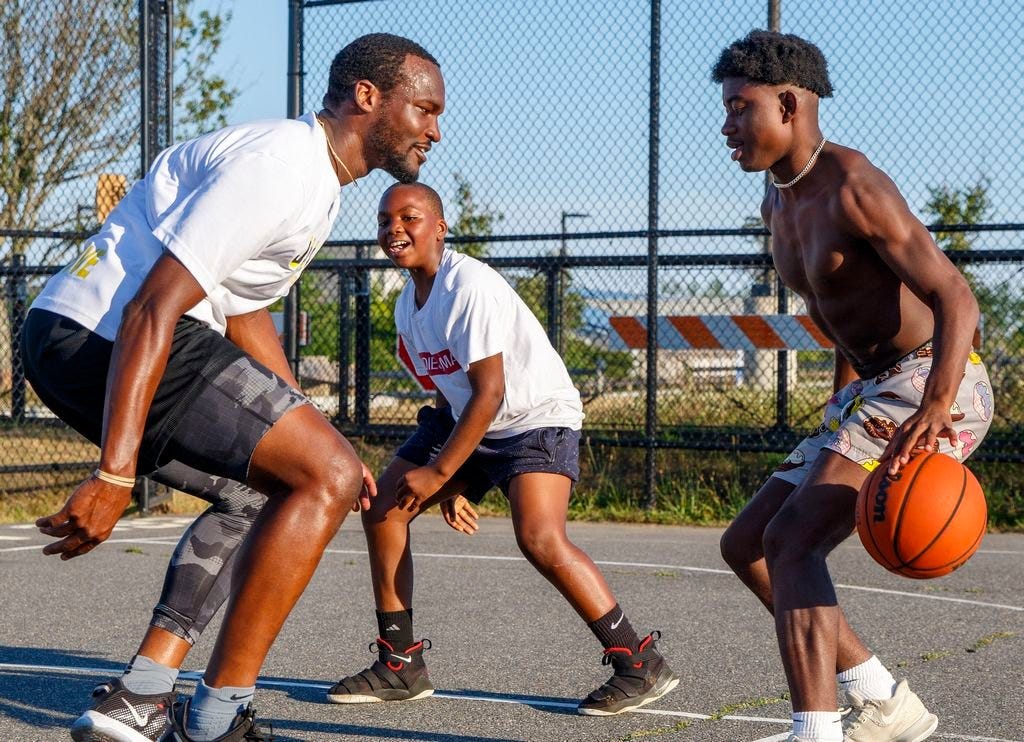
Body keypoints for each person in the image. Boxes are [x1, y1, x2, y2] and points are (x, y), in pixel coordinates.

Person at [23, 32, 445, 742]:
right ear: (368, 97)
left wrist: (316, 433)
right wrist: (114, 475)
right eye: (425, 108)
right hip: (107, 333)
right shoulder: (284, 166)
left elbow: (242, 311)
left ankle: (143, 696)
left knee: (271, 483)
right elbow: (151, 306)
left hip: (74, 338)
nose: (434, 129)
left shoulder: (313, 184)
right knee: (325, 477)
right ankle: (215, 719)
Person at [712, 30, 994, 742]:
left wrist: (934, 405)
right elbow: (842, 314)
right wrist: (844, 399)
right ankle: (885, 703)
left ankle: (818, 734)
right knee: (747, 543)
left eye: (740, 109)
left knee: (795, 540)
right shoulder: (778, 203)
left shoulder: (854, 185)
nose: (726, 126)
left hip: (936, 378)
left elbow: (957, 297)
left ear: (787, 103)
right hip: (873, 386)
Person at [325, 182, 679, 716]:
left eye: (409, 217)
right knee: (383, 509)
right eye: (384, 220)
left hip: (535, 417)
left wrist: (443, 471)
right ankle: (401, 665)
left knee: (539, 536)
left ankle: (639, 661)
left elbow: (490, 391)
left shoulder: (467, 285)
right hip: (471, 420)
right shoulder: (406, 306)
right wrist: (450, 478)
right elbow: (453, 399)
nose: (394, 228)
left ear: (439, 228)